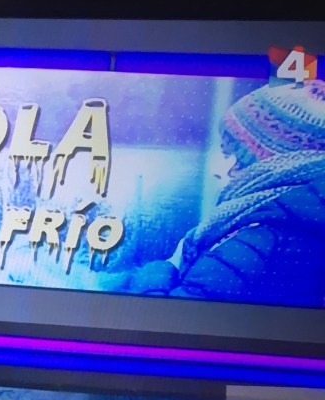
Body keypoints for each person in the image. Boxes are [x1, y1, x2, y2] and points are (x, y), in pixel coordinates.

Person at [124, 79, 325, 306]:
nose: (216, 170)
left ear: (269, 162)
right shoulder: (283, 224)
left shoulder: (256, 244)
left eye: (229, 152)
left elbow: (167, 319)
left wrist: (161, 270)